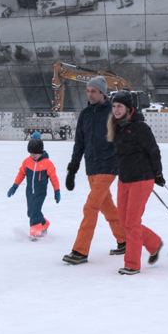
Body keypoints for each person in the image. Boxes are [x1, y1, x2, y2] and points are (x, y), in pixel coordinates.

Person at [61, 77, 128, 265]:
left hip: (108, 166)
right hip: (91, 168)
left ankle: (80, 251)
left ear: (102, 93)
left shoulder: (112, 112)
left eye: (93, 91)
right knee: (107, 207)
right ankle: (124, 240)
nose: (90, 94)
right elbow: (79, 144)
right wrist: (72, 169)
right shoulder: (85, 114)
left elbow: (123, 140)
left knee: (90, 207)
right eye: (88, 91)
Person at [109, 93, 165, 275]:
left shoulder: (140, 128)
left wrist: (158, 173)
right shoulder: (116, 127)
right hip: (124, 179)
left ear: (128, 108)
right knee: (124, 221)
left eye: (120, 106)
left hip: (142, 178)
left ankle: (132, 264)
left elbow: (153, 151)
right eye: (114, 106)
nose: (116, 110)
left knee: (132, 222)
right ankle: (154, 243)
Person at [7, 133, 61, 239]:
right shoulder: (27, 162)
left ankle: (35, 235)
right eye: (31, 153)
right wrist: (14, 186)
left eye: (35, 153)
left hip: (40, 192)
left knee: (35, 212)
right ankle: (44, 224)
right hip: (29, 192)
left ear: (41, 152)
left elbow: (54, 178)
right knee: (30, 213)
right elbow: (21, 174)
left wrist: (57, 191)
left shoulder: (47, 163)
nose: (33, 155)